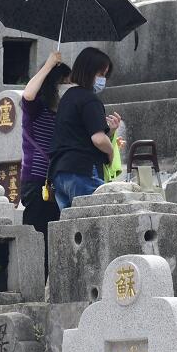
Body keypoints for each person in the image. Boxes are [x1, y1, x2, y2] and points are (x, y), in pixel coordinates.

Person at [19, 51, 71, 273]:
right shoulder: (36, 107)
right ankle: (34, 284)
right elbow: (28, 94)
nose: (66, 87)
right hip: (36, 180)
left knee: (53, 239)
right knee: (38, 236)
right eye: (63, 83)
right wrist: (49, 65)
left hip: (56, 181)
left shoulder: (58, 112)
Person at [49, 48, 119, 210]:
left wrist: (111, 131)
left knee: (71, 227)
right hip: (83, 171)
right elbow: (98, 139)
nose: (103, 79)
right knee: (94, 223)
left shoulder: (67, 98)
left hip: (60, 174)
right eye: (101, 74)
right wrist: (110, 152)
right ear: (89, 71)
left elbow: (78, 134)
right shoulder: (90, 100)